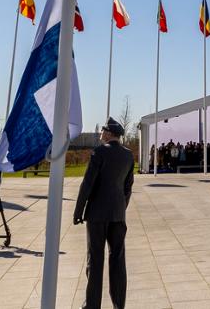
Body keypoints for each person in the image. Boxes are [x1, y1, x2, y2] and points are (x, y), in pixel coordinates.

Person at [75, 117, 134, 309]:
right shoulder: (128, 155)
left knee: (95, 260)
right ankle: (119, 304)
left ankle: (92, 306)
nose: (101, 133)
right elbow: (128, 187)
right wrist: (120, 208)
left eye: (102, 130)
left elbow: (88, 184)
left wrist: (79, 210)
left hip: (97, 214)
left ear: (109, 133)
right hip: (118, 214)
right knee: (118, 260)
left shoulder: (99, 153)